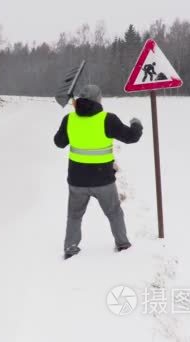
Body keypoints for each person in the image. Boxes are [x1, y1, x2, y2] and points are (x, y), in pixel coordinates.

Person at [54, 85, 143, 260]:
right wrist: (136, 124)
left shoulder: (69, 119)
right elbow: (131, 137)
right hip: (103, 180)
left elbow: (59, 142)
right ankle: (123, 244)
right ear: (98, 99)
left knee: (74, 216)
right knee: (114, 213)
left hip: (77, 180)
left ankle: (71, 248)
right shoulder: (107, 119)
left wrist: (71, 126)